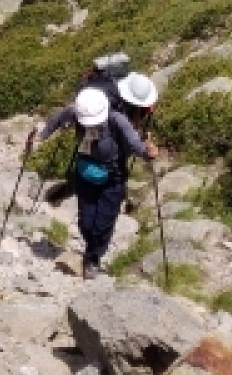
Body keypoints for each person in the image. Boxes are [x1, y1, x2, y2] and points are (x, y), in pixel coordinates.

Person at [24, 85, 157, 279]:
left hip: (114, 177)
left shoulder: (117, 120)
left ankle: (92, 259)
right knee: (86, 223)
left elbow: (133, 142)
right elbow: (57, 119)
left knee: (102, 223)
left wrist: (147, 153)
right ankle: (92, 247)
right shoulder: (76, 112)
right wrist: (40, 136)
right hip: (85, 172)